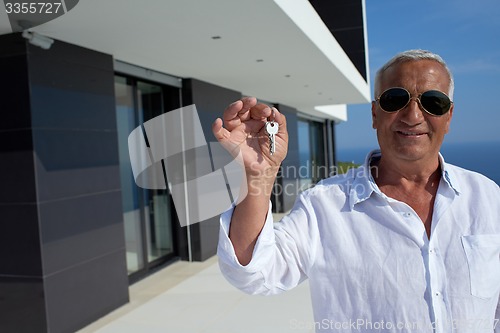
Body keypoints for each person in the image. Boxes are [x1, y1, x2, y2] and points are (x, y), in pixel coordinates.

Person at [212, 49, 500, 332]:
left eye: (433, 102)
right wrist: (258, 175)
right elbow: (254, 273)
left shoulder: (488, 197)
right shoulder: (322, 206)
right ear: (375, 114)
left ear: (448, 117)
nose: (413, 115)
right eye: (395, 99)